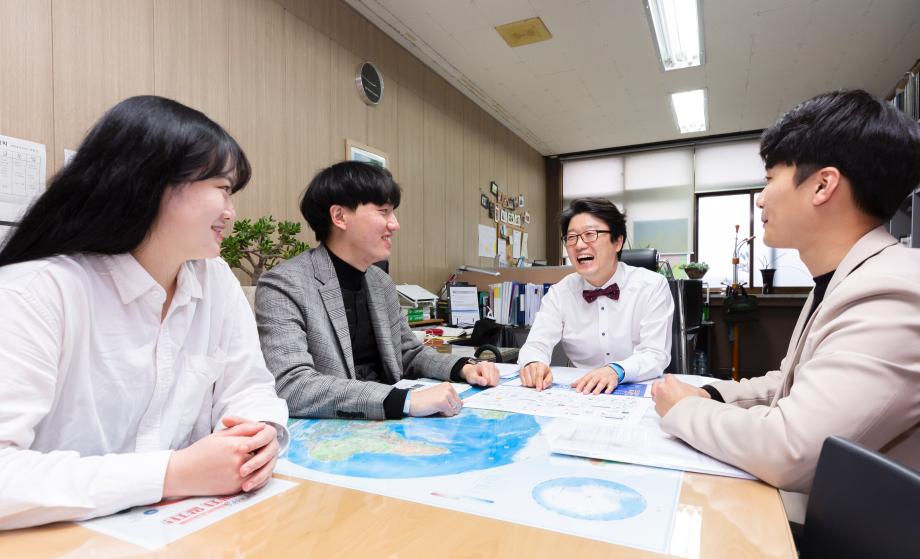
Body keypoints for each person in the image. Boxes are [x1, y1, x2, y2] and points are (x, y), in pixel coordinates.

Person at [0, 96, 289, 530]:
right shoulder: (34, 294)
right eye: (223, 188)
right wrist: (173, 473)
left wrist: (257, 433)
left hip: (180, 539)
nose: (231, 213)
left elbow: (249, 385)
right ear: (150, 183)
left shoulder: (215, 280)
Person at [652, 89, 920, 517]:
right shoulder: (841, 279)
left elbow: (789, 449)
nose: (760, 198)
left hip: (857, 539)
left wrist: (684, 410)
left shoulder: (893, 291)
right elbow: (788, 385)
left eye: (770, 178)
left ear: (822, 185)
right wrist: (709, 391)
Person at [255, 161, 499, 420]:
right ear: (339, 216)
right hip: (341, 428)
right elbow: (292, 385)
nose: (395, 224)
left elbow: (407, 352)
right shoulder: (284, 285)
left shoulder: (379, 281)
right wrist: (404, 401)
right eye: (383, 212)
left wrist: (463, 367)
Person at [518, 198, 673, 393]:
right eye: (571, 237)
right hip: (581, 392)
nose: (579, 245)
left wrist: (616, 371)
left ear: (618, 242)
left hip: (638, 389)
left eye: (590, 234)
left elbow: (655, 354)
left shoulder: (652, 286)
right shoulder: (560, 292)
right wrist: (533, 363)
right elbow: (536, 344)